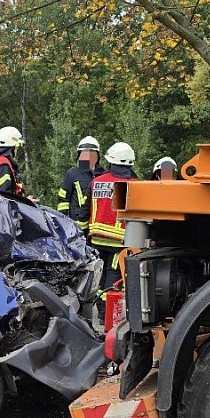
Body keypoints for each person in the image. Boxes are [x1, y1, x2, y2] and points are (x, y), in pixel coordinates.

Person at [89, 142, 139, 320]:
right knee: (113, 275)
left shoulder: (96, 182)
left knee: (99, 275)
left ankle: (98, 311)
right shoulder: (133, 185)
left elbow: (85, 210)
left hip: (96, 238)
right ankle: (107, 315)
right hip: (119, 241)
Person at [57, 136, 101, 235]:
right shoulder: (72, 174)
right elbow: (63, 200)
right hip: (76, 227)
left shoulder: (102, 174)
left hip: (96, 227)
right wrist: (63, 222)